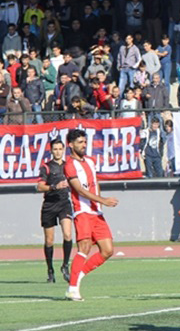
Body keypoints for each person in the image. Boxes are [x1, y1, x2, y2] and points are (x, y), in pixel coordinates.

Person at [64, 129, 119, 301]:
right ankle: (72, 288)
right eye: (80, 142)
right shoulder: (69, 165)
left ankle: (78, 275)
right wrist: (102, 200)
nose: (83, 145)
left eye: (84, 142)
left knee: (108, 250)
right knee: (85, 247)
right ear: (70, 145)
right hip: (82, 211)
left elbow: (95, 183)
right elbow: (79, 189)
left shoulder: (90, 161)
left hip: (96, 212)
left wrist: (100, 204)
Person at [37, 139, 73, 283]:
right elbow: (40, 187)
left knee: (68, 234)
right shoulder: (46, 167)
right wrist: (54, 186)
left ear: (64, 150)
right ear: (51, 151)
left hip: (64, 203)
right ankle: (50, 269)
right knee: (49, 240)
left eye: (60, 149)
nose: (58, 151)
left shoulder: (69, 166)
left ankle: (65, 265)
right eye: (55, 149)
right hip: (49, 205)